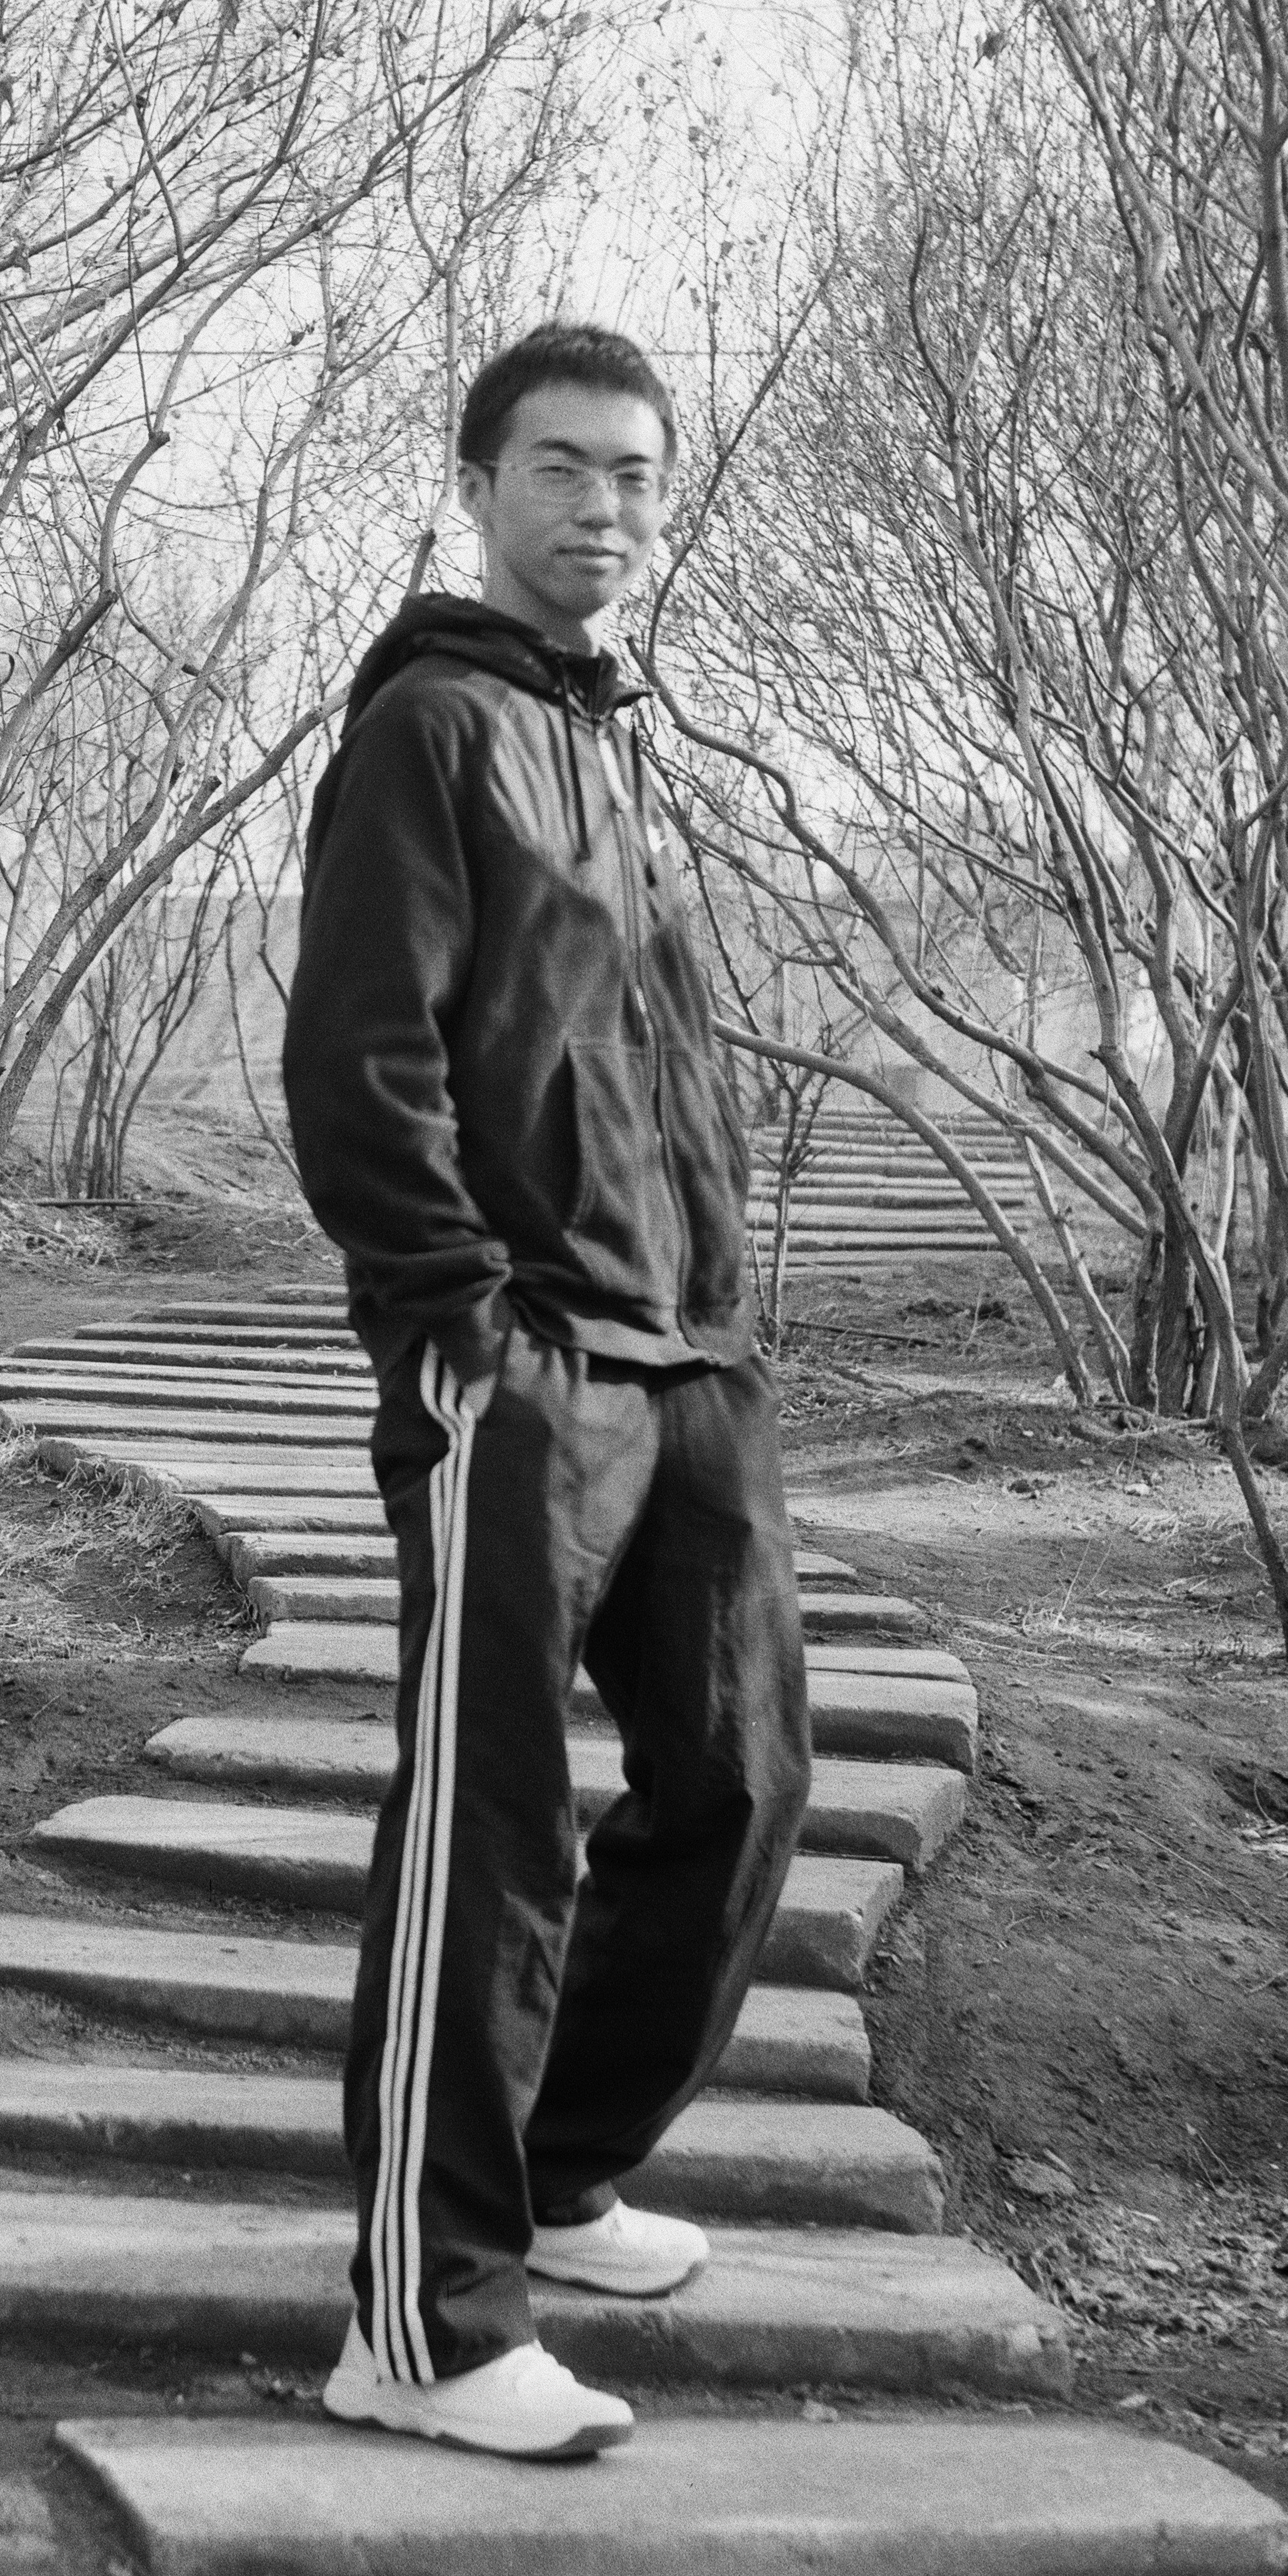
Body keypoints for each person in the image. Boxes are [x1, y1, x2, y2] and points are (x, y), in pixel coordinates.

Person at [280, 320, 810, 2463]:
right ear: (483, 484)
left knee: (745, 1776)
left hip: (685, 1355)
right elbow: (361, 1054)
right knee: (489, 1832)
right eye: (566, 466)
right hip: (522, 1364)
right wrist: (451, 1311)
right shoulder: (431, 728)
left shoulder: (613, 743)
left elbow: (646, 1061)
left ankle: (561, 2171)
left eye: (638, 476)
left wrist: (728, 1294)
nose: (607, 506)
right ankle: (421, 2320)